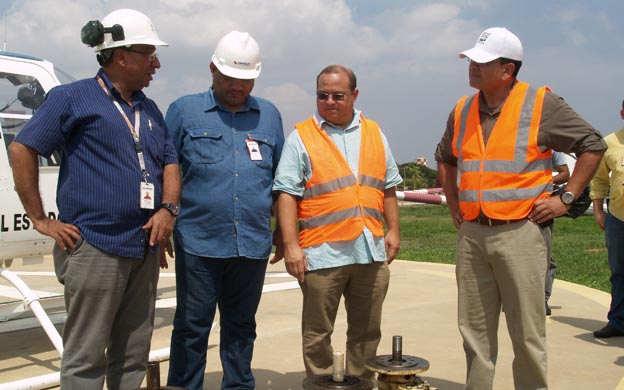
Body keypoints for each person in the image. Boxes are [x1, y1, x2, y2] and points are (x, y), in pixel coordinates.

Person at [8, 9, 180, 389]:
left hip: (144, 248)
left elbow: (170, 162)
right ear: (121, 55)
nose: (157, 63)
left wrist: (167, 210)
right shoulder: (72, 98)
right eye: (148, 53)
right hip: (95, 247)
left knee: (133, 353)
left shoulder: (149, 110)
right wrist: (40, 219)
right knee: (86, 356)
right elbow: (23, 147)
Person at [435, 27, 606, 389]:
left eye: (482, 62)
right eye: (471, 61)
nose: (472, 68)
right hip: (473, 235)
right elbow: (445, 158)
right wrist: (454, 204)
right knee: (474, 331)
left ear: (507, 70)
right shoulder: (462, 109)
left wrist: (567, 198)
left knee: (527, 334)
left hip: (521, 233)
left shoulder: (541, 104)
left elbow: (592, 145)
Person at [166, 31, 285, 390]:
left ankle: (238, 385)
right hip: (198, 241)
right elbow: (164, 170)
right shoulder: (184, 110)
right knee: (191, 325)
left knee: (241, 326)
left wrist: (282, 231)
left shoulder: (269, 115)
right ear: (212, 70)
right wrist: (162, 219)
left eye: (246, 80)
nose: (238, 86)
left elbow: (281, 179)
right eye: (231, 78)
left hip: (251, 243)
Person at [272, 64, 402, 379]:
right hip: (321, 254)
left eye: (338, 95)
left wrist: (394, 229)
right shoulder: (301, 137)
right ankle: (321, 383)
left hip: (369, 251)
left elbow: (387, 187)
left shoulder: (374, 132)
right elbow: (286, 194)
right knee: (318, 333)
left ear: (354, 95)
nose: (329, 101)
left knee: (367, 332)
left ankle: (360, 382)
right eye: (322, 95)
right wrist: (291, 245)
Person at [590, 99, 624, 338]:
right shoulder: (610, 143)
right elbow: (600, 179)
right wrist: (599, 210)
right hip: (618, 219)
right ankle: (618, 321)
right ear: (622, 113)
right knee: (619, 272)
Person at [545, 151, 570, 315]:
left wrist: (543, 180)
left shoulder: (551, 146)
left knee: (545, 256)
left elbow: (565, 174)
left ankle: (542, 298)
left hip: (541, 205)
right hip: (509, 204)